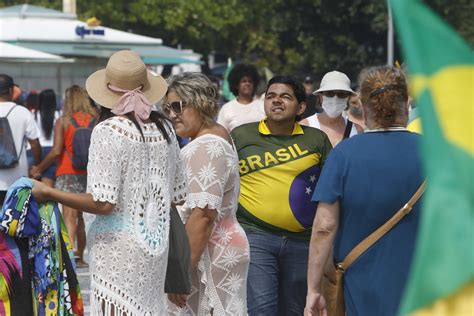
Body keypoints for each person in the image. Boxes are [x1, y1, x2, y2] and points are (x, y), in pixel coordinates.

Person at [32, 50, 187, 315]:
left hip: (117, 248)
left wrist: (49, 192)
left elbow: (103, 204)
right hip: (154, 246)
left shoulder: (109, 130)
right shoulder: (166, 130)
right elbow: (178, 196)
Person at [305, 65, 424, 316]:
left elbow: (324, 227)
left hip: (361, 290)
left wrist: (313, 289)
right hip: (425, 287)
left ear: (363, 106)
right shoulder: (435, 152)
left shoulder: (344, 155)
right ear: (406, 102)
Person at [231, 75, 332, 315]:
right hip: (255, 237)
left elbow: (330, 189)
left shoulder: (316, 140)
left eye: (285, 97)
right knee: (262, 309)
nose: (277, 101)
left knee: (296, 310)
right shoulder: (241, 136)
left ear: (301, 107)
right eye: (271, 96)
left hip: (302, 241)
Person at [164, 72, 250, 315]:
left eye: (178, 106)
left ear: (199, 101)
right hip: (217, 245)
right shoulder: (218, 135)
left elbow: (203, 214)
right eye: (168, 108)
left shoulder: (206, 145)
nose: (172, 115)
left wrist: (180, 275)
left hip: (209, 251)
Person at [31, 85, 96, 267]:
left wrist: (39, 168)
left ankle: (69, 257)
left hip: (68, 172)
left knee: (69, 216)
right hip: (89, 172)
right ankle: (81, 257)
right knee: (84, 217)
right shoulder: (95, 120)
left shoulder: (64, 121)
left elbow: (56, 150)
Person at [0, 74, 41, 205]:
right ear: (12, 90)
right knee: (16, 220)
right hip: (17, 178)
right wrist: (37, 165)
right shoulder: (23, 112)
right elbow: (34, 143)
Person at [300, 71, 359, 147]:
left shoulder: (357, 131)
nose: (335, 98)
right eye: (329, 93)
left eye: (342, 94)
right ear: (320, 96)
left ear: (348, 98)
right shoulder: (304, 127)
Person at [217, 64, 265, 132]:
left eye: (250, 81)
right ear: (236, 85)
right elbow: (221, 133)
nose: (247, 84)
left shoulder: (263, 106)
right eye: (244, 81)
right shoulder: (227, 109)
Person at [27, 89, 60, 187]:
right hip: (52, 152)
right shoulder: (59, 115)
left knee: (32, 187)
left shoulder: (33, 114)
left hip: (34, 151)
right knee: (48, 186)